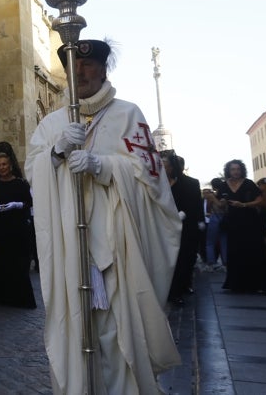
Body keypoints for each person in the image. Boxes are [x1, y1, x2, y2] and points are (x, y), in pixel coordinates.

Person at [28, 39, 182, 394]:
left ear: (104, 69)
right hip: (70, 241)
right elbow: (32, 174)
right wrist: (56, 151)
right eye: (73, 67)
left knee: (116, 328)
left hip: (116, 242)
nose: (80, 72)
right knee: (78, 323)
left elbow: (152, 180)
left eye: (88, 65)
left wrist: (104, 166)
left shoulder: (127, 114)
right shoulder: (52, 123)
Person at [0, 142, 36, 308]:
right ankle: (1, 296)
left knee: (18, 263)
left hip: (18, 230)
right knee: (0, 262)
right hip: (1, 230)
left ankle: (19, 298)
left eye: (4, 164)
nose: (2, 168)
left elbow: (28, 202)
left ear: (10, 165)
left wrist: (17, 205)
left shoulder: (20, 183)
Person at [220, 159, 266, 295]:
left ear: (242, 170)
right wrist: (220, 202)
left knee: (254, 250)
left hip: (249, 221)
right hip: (233, 222)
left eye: (238, 169)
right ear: (228, 170)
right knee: (235, 251)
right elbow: (220, 204)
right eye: (233, 169)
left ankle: (259, 283)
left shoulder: (249, 183)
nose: (235, 172)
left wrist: (244, 205)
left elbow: (260, 200)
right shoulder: (224, 185)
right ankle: (237, 284)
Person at [163, 150, 203, 304]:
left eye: (165, 166)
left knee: (183, 260)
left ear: (172, 167)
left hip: (185, 228)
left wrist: (184, 216)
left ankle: (178, 290)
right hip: (164, 227)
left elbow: (194, 204)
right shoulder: (158, 183)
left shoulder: (190, 183)